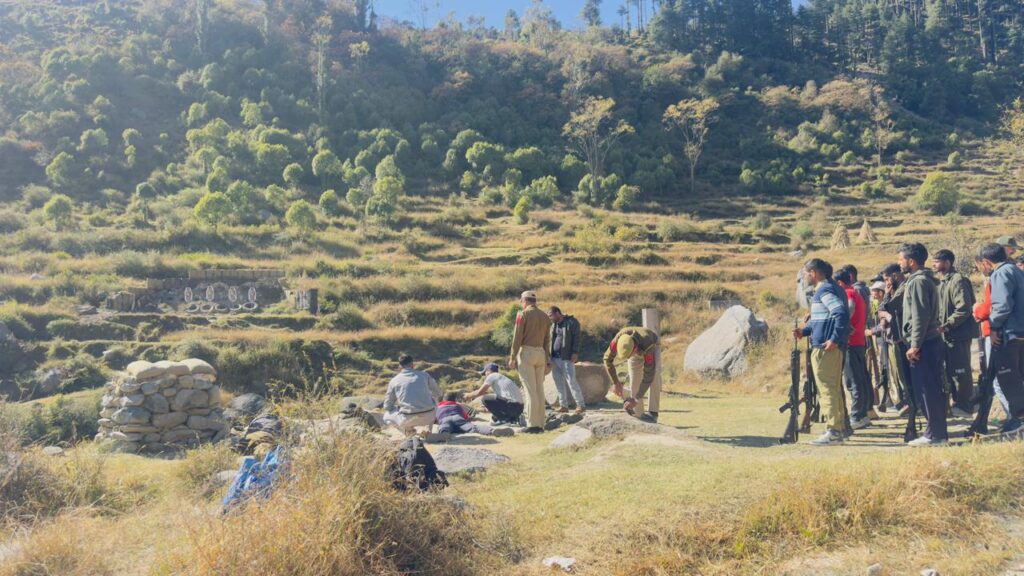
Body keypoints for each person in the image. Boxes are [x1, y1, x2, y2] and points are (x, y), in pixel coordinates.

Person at [793, 258, 850, 445]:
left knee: (827, 390)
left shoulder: (824, 291)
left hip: (826, 348)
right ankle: (838, 429)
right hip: (829, 346)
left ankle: (833, 431)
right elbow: (823, 320)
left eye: (806, 273)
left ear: (815, 273)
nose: (804, 276)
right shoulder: (831, 289)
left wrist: (833, 338)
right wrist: (805, 331)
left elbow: (840, 313)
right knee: (832, 389)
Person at [898, 242, 947, 446]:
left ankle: (935, 435)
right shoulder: (920, 280)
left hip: (924, 344)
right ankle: (935, 433)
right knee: (928, 389)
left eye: (901, 259)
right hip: (927, 342)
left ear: (911, 261)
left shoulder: (918, 282)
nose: (899, 263)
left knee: (927, 390)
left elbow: (920, 316)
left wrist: (915, 344)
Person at [982, 243, 1024, 433]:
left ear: (986, 261)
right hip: (1020, 332)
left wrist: (994, 327)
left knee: (1008, 377)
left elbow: (1003, 305)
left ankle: (1018, 418)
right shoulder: (1016, 270)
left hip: (1009, 333)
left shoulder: (1000, 273)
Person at [931, 249, 977, 418]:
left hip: (958, 334)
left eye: (937, 261)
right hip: (947, 335)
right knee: (949, 372)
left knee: (960, 371)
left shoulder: (958, 280)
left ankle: (965, 406)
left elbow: (964, 308)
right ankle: (955, 405)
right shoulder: (941, 282)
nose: (934, 264)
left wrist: (947, 325)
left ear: (948, 263)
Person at [508, 290, 552, 434]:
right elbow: (547, 341)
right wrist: (547, 360)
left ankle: (532, 424)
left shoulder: (523, 314)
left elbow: (517, 337)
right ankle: (540, 423)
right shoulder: (545, 317)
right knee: (539, 389)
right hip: (541, 353)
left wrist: (512, 357)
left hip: (527, 352)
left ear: (524, 300)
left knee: (530, 390)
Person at [836, 268, 871, 429]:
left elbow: (848, 311)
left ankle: (857, 415)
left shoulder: (849, 294)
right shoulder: (857, 293)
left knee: (852, 381)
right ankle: (862, 413)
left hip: (850, 342)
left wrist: (841, 326)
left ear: (840, 283)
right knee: (859, 379)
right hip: (858, 341)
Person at [603, 326, 661, 423]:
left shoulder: (647, 343)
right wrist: (615, 382)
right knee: (635, 382)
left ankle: (653, 413)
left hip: (652, 346)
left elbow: (648, 375)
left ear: (635, 348)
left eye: (629, 355)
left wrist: (636, 398)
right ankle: (638, 414)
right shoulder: (617, 341)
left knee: (654, 377)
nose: (628, 358)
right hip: (636, 348)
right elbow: (607, 359)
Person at [383, 354, 442, 436]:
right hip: (429, 416)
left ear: (400, 366)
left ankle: (409, 432)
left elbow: (387, 406)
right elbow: (438, 393)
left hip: (408, 419)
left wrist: (398, 406)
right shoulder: (424, 375)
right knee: (434, 399)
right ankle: (428, 429)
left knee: (386, 416)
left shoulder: (394, 380)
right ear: (412, 365)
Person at [547, 306, 586, 414]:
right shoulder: (553, 325)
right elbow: (550, 340)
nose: (550, 318)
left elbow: (577, 338)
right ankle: (563, 405)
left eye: (551, 315)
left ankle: (580, 405)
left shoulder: (571, 322)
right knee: (558, 382)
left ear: (558, 313)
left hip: (567, 357)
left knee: (571, 381)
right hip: (554, 358)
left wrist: (575, 352)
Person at [435, 392, 513, 437]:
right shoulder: (457, 405)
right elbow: (465, 416)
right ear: (454, 400)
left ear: (443, 400)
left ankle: (444, 434)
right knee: (473, 427)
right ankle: (491, 431)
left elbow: (434, 418)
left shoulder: (438, 406)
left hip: (444, 419)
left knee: (444, 427)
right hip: (458, 418)